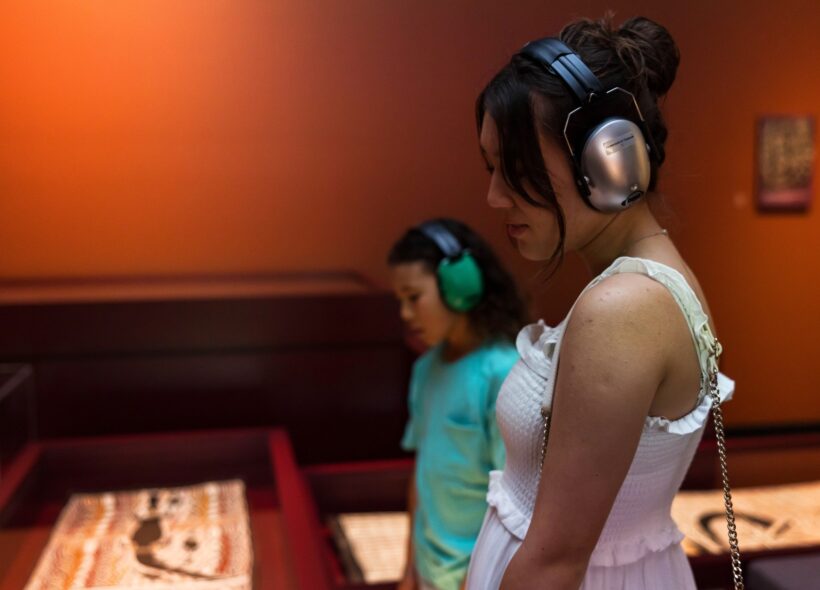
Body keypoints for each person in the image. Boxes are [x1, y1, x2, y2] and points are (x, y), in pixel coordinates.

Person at [464, 15, 736, 590]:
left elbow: (557, 561)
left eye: (515, 170)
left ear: (608, 160)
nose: (494, 197)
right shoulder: (647, 287)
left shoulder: (623, 308)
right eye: (493, 170)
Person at [388, 218, 528, 590]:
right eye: (399, 301)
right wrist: (409, 568)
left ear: (459, 285)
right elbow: (423, 475)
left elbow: (514, 501)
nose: (405, 314)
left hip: (482, 576)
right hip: (429, 572)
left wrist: (475, 579)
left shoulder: (503, 372)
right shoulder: (424, 369)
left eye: (413, 297)